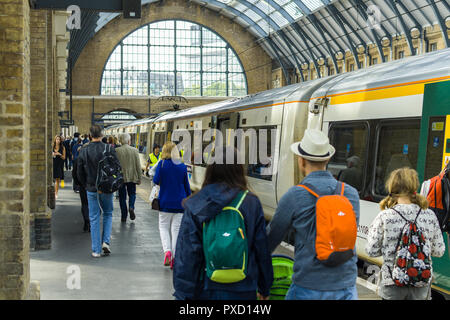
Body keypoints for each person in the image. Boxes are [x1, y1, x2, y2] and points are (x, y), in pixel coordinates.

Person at [266, 129, 360, 300]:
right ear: (328, 159)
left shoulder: (294, 195)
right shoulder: (350, 193)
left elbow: (270, 239)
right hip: (346, 287)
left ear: (301, 161)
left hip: (308, 287)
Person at [173, 146, 273, 300]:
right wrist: (265, 287)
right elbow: (261, 249)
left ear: (211, 169)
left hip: (205, 287)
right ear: (239, 169)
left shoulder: (196, 203)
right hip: (244, 288)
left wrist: (183, 294)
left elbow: (187, 254)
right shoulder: (251, 202)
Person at [366, 167, 445, 300]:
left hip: (392, 285)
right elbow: (439, 251)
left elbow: (371, 250)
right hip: (421, 286)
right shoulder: (429, 216)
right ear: (414, 186)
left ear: (392, 187)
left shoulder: (385, 216)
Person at [77, 125, 120, 258]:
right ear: (102, 135)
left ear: (90, 136)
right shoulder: (109, 148)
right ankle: (105, 242)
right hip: (106, 187)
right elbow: (117, 167)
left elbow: (79, 172)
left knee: (94, 217)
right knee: (108, 213)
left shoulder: (84, 150)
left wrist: (86, 185)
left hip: (91, 188)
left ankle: (96, 250)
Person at [153, 141, 191, 268]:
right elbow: (187, 186)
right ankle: (174, 258)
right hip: (180, 203)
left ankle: (167, 251)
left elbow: (155, 180)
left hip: (165, 202)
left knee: (163, 227)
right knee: (176, 231)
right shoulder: (182, 166)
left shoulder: (162, 164)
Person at [115, 133, 142, 222]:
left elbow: (114, 165)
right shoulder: (135, 150)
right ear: (129, 141)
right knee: (132, 194)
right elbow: (138, 165)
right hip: (132, 177)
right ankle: (131, 207)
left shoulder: (116, 150)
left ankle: (124, 216)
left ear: (120, 141)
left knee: (122, 197)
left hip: (121, 178)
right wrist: (139, 178)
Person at [52, 135, 66, 200]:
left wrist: (59, 154)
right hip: (52, 164)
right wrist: (53, 154)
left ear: (60, 141)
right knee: (52, 179)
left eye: (59, 139)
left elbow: (64, 157)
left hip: (59, 164)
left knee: (57, 179)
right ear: (55, 140)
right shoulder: (52, 146)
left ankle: (56, 193)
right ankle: (52, 192)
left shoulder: (62, 148)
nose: (58, 141)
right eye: (57, 139)